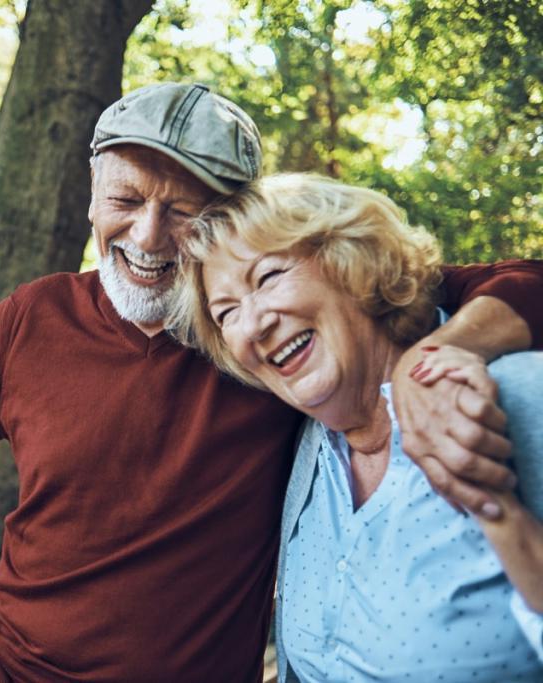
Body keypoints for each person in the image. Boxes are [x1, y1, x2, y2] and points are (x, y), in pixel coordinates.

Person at [0, 83, 543, 681]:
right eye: (126, 199)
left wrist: (451, 352)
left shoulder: (278, 343)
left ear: (231, 226)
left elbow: (500, 283)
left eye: (185, 209)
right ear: (93, 195)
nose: (150, 235)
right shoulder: (34, 319)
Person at [171, 172, 543, 681]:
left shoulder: (519, 396)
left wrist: (496, 507)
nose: (253, 324)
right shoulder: (304, 451)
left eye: (269, 276)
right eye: (227, 311)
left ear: (352, 263)